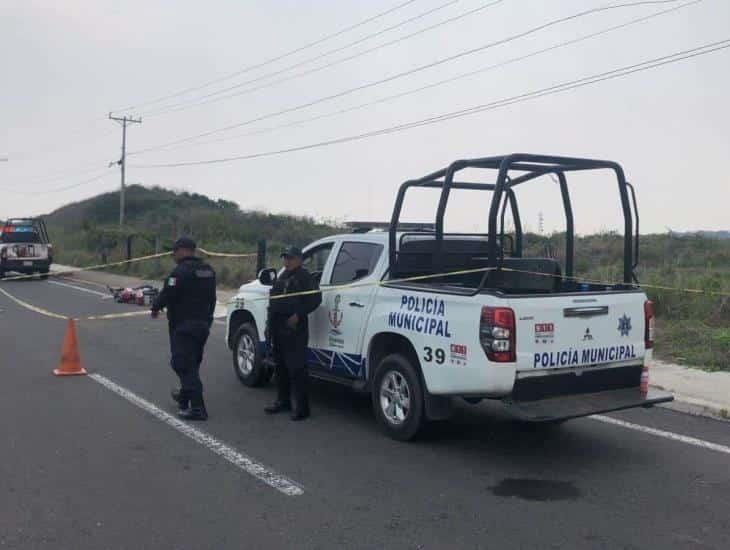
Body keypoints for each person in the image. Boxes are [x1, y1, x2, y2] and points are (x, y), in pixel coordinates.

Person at [151, 236, 216, 421]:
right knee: (192, 363)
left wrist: (155, 307)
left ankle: (197, 408)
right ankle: (184, 396)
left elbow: (166, 295)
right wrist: (208, 320)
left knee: (182, 364)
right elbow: (212, 299)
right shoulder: (208, 270)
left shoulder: (178, 273)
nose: (173, 255)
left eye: (174, 251)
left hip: (183, 326)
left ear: (181, 251)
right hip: (203, 325)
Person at [265, 246, 322, 421]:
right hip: (278, 326)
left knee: (297, 369)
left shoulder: (305, 277)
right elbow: (273, 302)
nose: (286, 261)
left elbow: (315, 299)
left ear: (299, 259)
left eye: (290, 258)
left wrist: (299, 315)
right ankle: (283, 401)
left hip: (294, 328)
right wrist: (269, 326)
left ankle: (302, 408)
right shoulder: (282, 276)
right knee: (280, 367)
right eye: (285, 258)